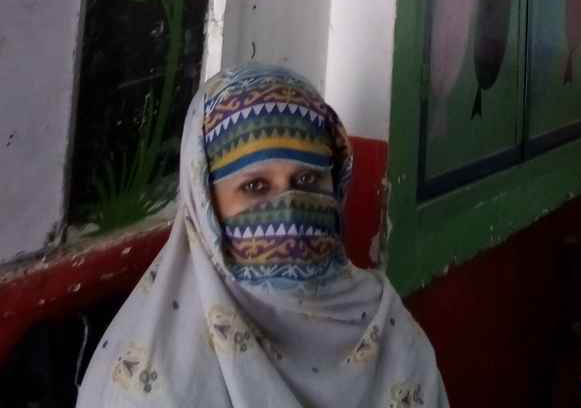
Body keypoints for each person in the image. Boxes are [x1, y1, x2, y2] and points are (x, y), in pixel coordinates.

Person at [76, 62, 449, 407]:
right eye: (255, 186)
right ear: (205, 203)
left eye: (308, 179)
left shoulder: (385, 324)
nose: (289, 213)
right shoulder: (150, 382)